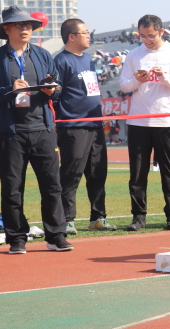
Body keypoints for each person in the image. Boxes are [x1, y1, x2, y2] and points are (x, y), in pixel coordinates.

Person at [0, 6, 72, 254]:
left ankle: (56, 235)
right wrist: (9, 90)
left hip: (42, 129)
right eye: (19, 25)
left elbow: (57, 87)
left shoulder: (42, 54)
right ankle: (17, 238)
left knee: (52, 185)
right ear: (7, 29)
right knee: (12, 188)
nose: (25, 28)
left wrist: (51, 89)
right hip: (9, 133)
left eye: (28, 25)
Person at [119, 14, 170, 231]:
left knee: (169, 171)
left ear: (161, 32)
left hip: (166, 120)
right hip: (138, 121)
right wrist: (137, 80)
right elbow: (123, 85)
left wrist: (165, 78)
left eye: (151, 36)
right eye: (142, 36)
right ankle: (138, 217)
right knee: (137, 173)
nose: (147, 40)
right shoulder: (134, 55)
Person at [54, 18, 116, 235]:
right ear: (72, 37)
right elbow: (54, 95)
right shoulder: (61, 61)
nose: (89, 37)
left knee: (98, 172)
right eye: (85, 33)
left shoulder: (88, 59)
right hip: (73, 126)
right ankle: (66, 219)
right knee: (72, 173)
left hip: (95, 124)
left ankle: (98, 217)